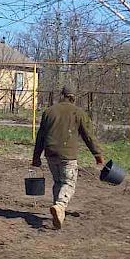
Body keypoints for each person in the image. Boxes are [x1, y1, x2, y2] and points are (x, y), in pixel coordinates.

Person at [33, 85, 104, 230]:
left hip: (50, 154)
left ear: (62, 95)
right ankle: (60, 206)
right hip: (68, 155)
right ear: (74, 97)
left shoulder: (49, 112)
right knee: (69, 183)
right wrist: (97, 154)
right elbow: (88, 136)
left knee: (58, 182)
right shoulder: (78, 113)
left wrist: (36, 157)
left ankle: (58, 213)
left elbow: (40, 136)